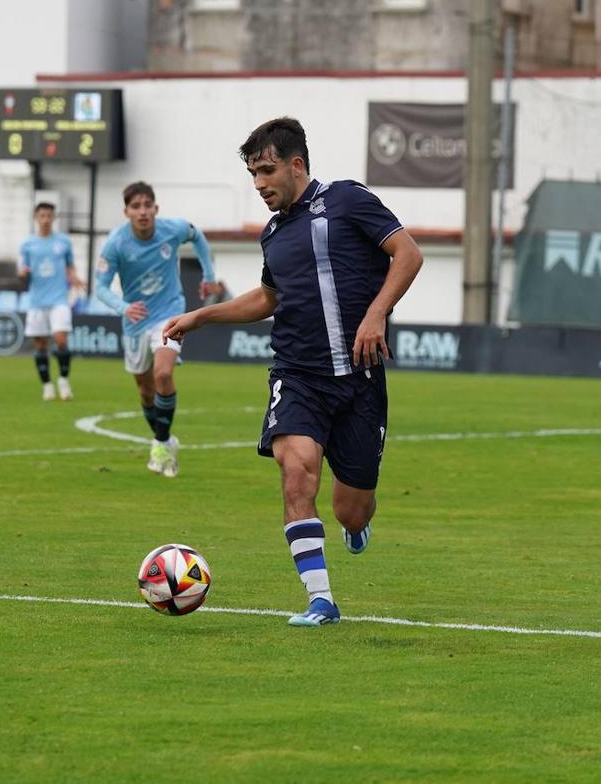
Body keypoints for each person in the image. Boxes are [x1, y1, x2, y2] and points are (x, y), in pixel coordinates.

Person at [162, 117, 423, 627]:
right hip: (298, 373)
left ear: (296, 164)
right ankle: (320, 600)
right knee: (296, 468)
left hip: (360, 377)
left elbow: (408, 255)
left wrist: (375, 315)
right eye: (253, 175)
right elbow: (269, 298)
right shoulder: (273, 235)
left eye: (266, 171)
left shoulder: (347, 201)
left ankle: (355, 525)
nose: (259, 184)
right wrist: (201, 316)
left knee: (352, 508)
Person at [94, 183, 221, 476]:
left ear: (155, 209)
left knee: (163, 373)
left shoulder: (171, 229)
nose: (142, 212)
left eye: (147, 205)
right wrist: (122, 307)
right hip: (136, 321)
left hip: (170, 313)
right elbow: (100, 287)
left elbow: (196, 234)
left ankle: (161, 445)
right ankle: (164, 441)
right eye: (135, 206)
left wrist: (209, 275)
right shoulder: (116, 243)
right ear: (126, 211)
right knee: (145, 391)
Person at [18, 203, 82, 400]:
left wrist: (74, 277)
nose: (45, 220)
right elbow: (22, 270)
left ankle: (63, 380)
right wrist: (22, 273)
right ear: (36, 218)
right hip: (37, 301)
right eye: (42, 216)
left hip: (59, 299)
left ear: (54, 219)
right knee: (40, 345)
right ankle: (47, 385)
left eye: (49, 216)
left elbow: (70, 265)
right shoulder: (27, 245)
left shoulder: (63, 242)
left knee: (61, 339)